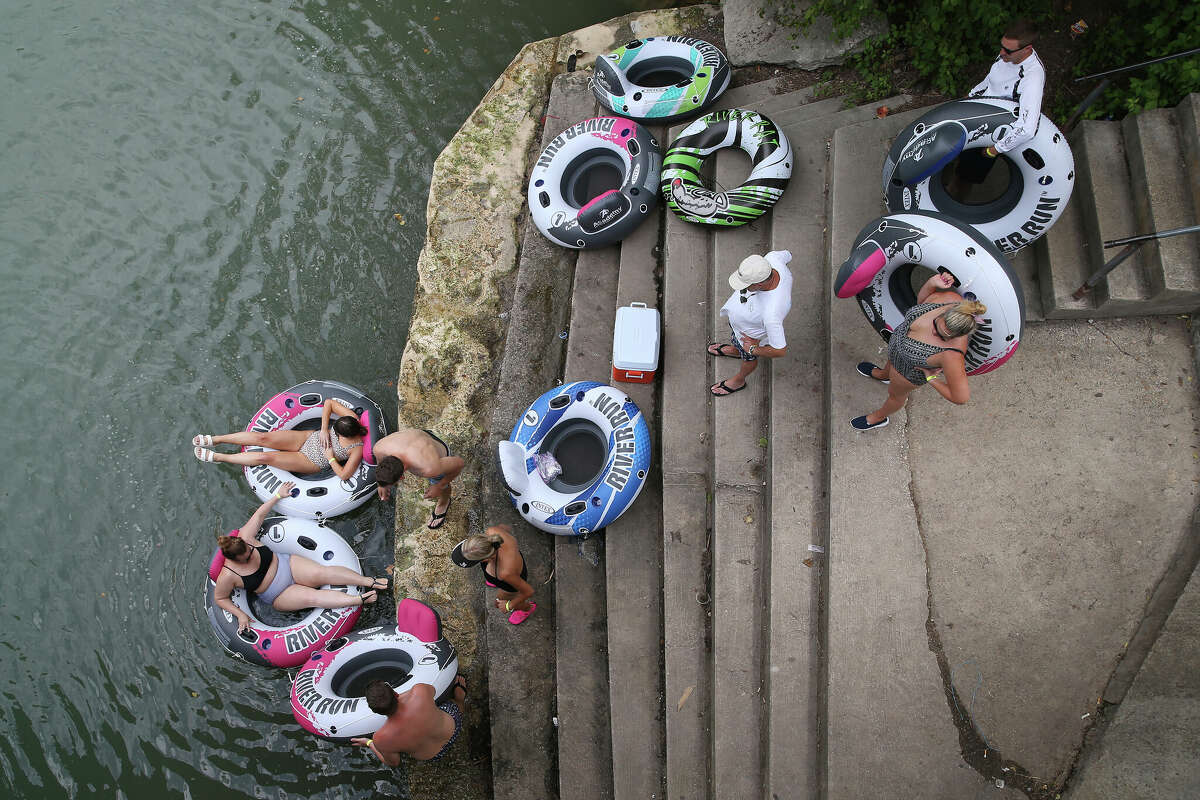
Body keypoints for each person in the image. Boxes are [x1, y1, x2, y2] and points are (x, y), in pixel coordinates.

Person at [211, 482, 388, 630]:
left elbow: (259, 515)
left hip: (287, 564)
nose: (251, 555)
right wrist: (241, 614)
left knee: (322, 574)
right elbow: (220, 598)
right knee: (313, 598)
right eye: (247, 557)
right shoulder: (228, 575)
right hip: (278, 594)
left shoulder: (246, 537)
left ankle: (369, 581)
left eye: (250, 551)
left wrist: (278, 496)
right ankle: (358, 600)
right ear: (234, 559)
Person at [851, 271, 986, 431]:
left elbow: (961, 397)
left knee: (895, 396)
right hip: (897, 348)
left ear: (958, 336)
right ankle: (883, 375)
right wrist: (931, 283)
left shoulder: (952, 354)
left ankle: (878, 417)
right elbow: (921, 303)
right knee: (890, 364)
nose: (934, 332)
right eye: (937, 325)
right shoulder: (948, 299)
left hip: (907, 373)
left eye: (943, 337)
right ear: (947, 312)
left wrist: (931, 378)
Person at [954, 19, 1045, 191]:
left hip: (992, 131)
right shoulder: (1007, 56)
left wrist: (993, 150)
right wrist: (969, 97)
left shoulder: (1031, 79)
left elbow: (1027, 128)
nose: (1001, 53)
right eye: (1001, 46)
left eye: (1008, 50)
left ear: (1027, 49)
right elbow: (989, 81)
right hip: (977, 113)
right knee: (956, 155)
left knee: (965, 178)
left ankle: (954, 201)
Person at [192, 398, 367, 480]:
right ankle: (217, 439)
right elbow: (328, 403)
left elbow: (344, 475)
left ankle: (219, 458)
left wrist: (330, 456)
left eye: (336, 434)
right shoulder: (351, 419)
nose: (333, 433)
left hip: (311, 460)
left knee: (264, 458)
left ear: (346, 435)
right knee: (262, 438)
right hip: (308, 438)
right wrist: (323, 429)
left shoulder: (356, 449)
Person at [706, 250, 793, 397]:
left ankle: (739, 380)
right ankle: (736, 350)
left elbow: (780, 350)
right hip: (741, 328)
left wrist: (752, 348)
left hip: (749, 336)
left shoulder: (772, 313)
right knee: (739, 344)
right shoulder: (772, 258)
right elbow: (788, 254)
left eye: (745, 284)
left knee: (748, 358)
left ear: (759, 283)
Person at [351, 675, 468, 764]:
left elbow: (393, 763)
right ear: (396, 694)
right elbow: (432, 690)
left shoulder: (380, 738)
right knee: (451, 705)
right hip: (454, 727)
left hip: (434, 756)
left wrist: (369, 743)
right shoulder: (419, 691)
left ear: (375, 711)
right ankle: (459, 699)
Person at [372, 429, 464, 530]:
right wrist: (381, 485)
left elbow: (459, 463)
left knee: (438, 479)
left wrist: (439, 486)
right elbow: (380, 464)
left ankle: (444, 502)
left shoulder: (428, 468)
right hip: (418, 435)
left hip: (437, 450)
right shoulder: (378, 448)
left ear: (402, 477)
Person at [450, 524, 535, 625]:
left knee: (500, 600)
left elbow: (528, 591)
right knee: (498, 598)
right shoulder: (492, 532)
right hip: (509, 562)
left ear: (486, 559)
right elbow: (505, 527)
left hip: (511, 582)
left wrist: (509, 605)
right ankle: (492, 581)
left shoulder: (505, 573)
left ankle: (527, 608)